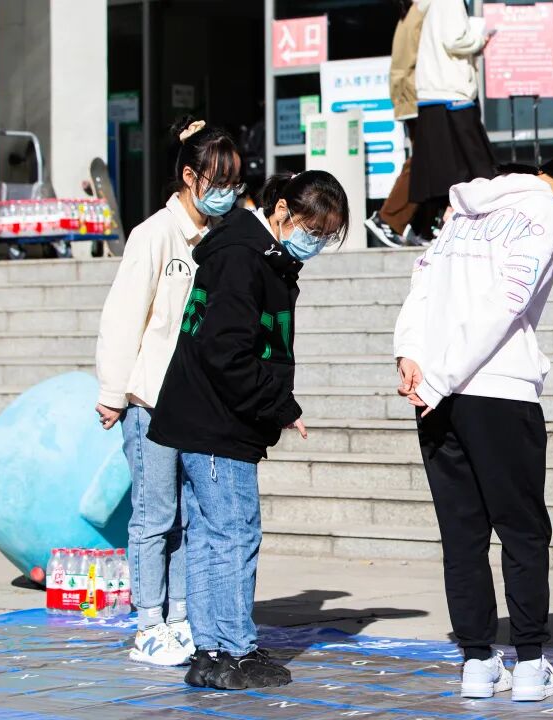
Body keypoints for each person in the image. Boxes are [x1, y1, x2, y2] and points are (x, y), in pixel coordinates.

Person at [393, 143, 553, 702]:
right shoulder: (544, 212)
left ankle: (477, 661)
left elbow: (422, 283)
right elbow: (507, 302)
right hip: (496, 389)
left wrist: (412, 355)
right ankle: (528, 663)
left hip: (436, 390)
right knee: (523, 532)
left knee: (463, 535)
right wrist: (440, 375)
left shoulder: (466, 209)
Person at [147, 171, 350, 690]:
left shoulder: (250, 252)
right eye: (313, 229)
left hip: (204, 417)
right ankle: (233, 651)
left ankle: (211, 651)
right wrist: (278, 404)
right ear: (282, 210)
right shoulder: (244, 256)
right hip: (218, 421)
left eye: (327, 235)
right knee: (234, 535)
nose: (316, 242)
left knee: (210, 537)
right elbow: (226, 350)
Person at [95, 117, 243, 667]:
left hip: (196, 405)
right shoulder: (154, 235)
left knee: (188, 518)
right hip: (151, 403)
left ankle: (180, 616)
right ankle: (147, 623)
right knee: (154, 517)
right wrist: (113, 391)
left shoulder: (220, 237)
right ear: (189, 176)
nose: (228, 191)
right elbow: (124, 316)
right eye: (218, 181)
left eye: (234, 182)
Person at [410, 0, 497, 238]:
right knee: (477, 165)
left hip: (434, 94)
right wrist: (480, 40)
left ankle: (434, 224)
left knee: (444, 169)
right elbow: (454, 40)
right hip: (452, 92)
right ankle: (490, 220)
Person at [365, 0, 426, 247]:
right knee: (425, 161)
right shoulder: (421, 11)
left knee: (431, 161)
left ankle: (417, 223)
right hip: (421, 96)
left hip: (413, 96)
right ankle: (388, 219)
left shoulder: (411, 13)